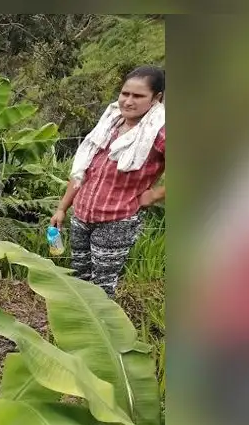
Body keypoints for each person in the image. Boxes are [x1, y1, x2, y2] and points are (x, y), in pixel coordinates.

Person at [50, 65, 166, 299]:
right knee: (79, 277)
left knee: (102, 287)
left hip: (116, 221)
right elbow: (82, 170)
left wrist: (154, 195)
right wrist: (62, 208)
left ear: (156, 98)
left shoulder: (158, 132)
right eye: (125, 93)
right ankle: (79, 319)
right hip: (82, 215)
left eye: (138, 96)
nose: (128, 101)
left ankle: (98, 323)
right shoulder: (109, 124)